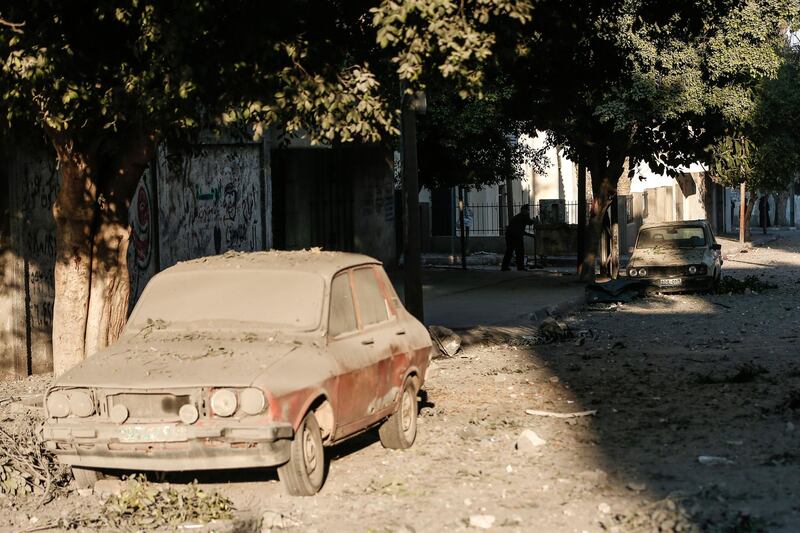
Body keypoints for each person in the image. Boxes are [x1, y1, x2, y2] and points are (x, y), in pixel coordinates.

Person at [502, 205, 537, 271]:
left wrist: (531, 235)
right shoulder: (522, 217)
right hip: (514, 236)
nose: (528, 212)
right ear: (523, 210)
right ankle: (520, 267)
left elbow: (522, 229)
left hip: (511, 235)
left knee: (510, 251)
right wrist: (534, 221)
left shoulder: (519, 217)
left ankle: (505, 267)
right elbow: (529, 222)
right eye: (527, 210)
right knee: (519, 252)